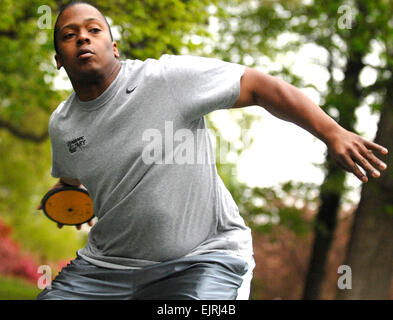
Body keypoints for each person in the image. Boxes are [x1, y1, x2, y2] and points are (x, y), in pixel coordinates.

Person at [36, 1, 388, 300]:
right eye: (69, 34)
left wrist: (332, 132)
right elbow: (73, 176)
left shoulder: (166, 80)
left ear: (114, 48)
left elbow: (258, 85)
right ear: (58, 60)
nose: (82, 36)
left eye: (94, 30)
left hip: (203, 260)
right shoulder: (63, 124)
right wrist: (66, 197)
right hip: (106, 269)